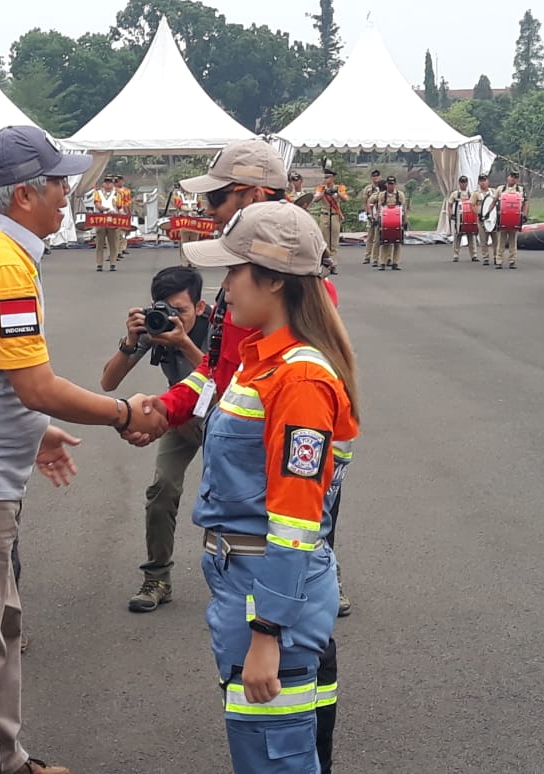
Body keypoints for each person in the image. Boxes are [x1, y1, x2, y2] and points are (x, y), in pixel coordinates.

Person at [0, 125, 167, 774]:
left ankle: (6, 758)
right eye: (57, 182)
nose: (67, 194)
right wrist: (123, 411)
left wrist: (30, 429)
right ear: (23, 196)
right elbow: (33, 382)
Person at [181, 201, 358, 774]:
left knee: (273, 759)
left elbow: (298, 520)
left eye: (233, 271)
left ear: (275, 279)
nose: (224, 286)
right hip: (245, 581)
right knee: (258, 750)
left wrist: (267, 632)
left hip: (268, 591)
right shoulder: (261, 363)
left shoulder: (298, 377)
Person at [100, 266, 211, 612]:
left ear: (201, 307)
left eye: (181, 311)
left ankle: (313, 574)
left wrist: (184, 343)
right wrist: (131, 341)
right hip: (180, 415)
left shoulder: (221, 330)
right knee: (162, 489)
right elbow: (108, 383)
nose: (171, 318)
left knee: (245, 497)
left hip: (224, 418)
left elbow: (222, 377)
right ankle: (157, 578)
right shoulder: (155, 327)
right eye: (164, 309)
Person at [312, 168, 348, 272]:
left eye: (328, 177)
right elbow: (316, 199)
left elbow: (345, 199)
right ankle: (324, 264)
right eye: (325, 177)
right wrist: (323, 192)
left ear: (333, 178)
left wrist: (337, 193)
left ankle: (333, 265)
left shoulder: (340, 187)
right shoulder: (321, 188)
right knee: (324, 241)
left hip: (335, 215)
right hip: (325, 215)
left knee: (334, 242)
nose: (326, 179)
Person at [369, 176, 407, 271]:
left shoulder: (400, 195)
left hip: (397, 221)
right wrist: (377, 219)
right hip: (385, 221)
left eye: (392, 184)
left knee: (397, 242)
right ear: (387, 184)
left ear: (395, 184)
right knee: (384, 241)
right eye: (389, 184)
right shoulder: (382, 195)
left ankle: (395, 262)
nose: (391, 186)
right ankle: (382, 262)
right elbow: (379, 208)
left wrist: (404, 221)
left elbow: (403, 209)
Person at [494, 170, 528, 269]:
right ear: (508, 177)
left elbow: (526, 202)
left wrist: (524, 215)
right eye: (512, 176)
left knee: (513, 241)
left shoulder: (520, 189)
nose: (513, 179)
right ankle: (499, 260)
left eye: (516, 177)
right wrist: (487, 213)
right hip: (503, 218)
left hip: (515, 219)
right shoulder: (501, 189)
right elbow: (494, 201)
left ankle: (512, 261)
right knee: (501, 241)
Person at [92, 175, 120, 272]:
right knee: (100, 243)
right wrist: (105, 209)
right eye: (106, 182)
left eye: (110, 182)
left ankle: (113, 263)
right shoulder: (98, 193)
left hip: (113, 219)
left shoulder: (117, 193)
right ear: (103, 183)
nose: (108, 184)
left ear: (113, 184)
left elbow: (119, 207)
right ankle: (99, 264)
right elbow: (97, 204)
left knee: (113, 243)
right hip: (101, 219)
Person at [447, 175, 477, 262]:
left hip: (470, 219)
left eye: (464, 182)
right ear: (459, 183)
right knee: (457, 237)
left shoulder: (471, 194)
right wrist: (451, 214)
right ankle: (456, 255)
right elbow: (449, 205)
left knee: (471, 236)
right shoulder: (455, 194)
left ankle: (474, 255)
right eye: (462, 182)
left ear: (467, 183)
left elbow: (476, 204)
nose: (463, 184)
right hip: (458, 219)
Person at [469, 174, 496, 266]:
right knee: (483, 239)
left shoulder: (493, 192)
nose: (483, 182)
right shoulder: (476, 194)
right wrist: (478, 213)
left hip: (493, 219)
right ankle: (486, 257)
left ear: (488, 181)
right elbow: (472, 205)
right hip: (482, 219)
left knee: (496, 239)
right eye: (481, 181)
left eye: (484, 180)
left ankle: (497, 257)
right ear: (478, 182)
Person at [360, 170, 382, 266]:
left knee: (378, 238)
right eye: (374, 176)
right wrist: (368, 214)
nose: (375, 178)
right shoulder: (368, 189)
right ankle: (367, 256)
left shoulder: (383, 187)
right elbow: (365, 202)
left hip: (381, 214)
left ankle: (376, 258)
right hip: (371, 213)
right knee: (370, 236)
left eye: (377, 176)